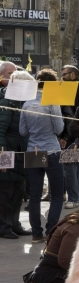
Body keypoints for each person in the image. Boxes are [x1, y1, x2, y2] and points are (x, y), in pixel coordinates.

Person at [20, 69, 65, 244]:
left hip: (33, 149)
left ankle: (36, 233)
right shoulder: (52, 102)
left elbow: (23, 131)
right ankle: (51, 231)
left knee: (34, 195)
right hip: (51, 150)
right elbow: (59, 128)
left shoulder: (26, 103)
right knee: (56, 193)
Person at [0, 71, 33, 239]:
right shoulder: (6, 102)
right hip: (8, 152)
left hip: (21, 152)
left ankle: (14, 224)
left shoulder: (23, 103)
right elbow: (1, 131)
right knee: (5, 192)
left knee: (19, 190)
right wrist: (3, 158)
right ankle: (4, 226)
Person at [60, 66, 79, 209]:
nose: (62, 77)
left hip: (73, 133)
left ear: (73, 74)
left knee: (71, 166)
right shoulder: (65, 87)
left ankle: (75, 197)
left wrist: (66, 135)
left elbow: (71, 115)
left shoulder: (78, 89)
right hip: (68, 132)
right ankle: (76, 196)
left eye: (65, 74)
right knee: (70, 166)